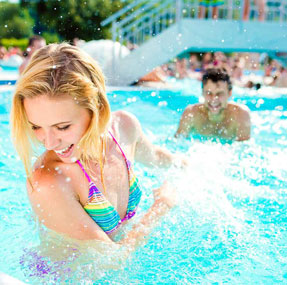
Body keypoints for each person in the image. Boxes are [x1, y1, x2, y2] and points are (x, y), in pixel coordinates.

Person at [11, 43, 181, 248]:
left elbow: (157, 157)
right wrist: (160, 208)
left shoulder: (124, 127)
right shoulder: (48, 181)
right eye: (36, 126)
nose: (49, 142)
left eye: (62, 127)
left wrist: (191, 166)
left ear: (97, 109)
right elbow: (113, 260)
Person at [175, 68, 251, 141]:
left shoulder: (240, 115)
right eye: (209, 93)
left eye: (219, 93)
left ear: (229, 93)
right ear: (202, 92)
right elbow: (177, 143)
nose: (214, 98)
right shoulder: (191, 113)